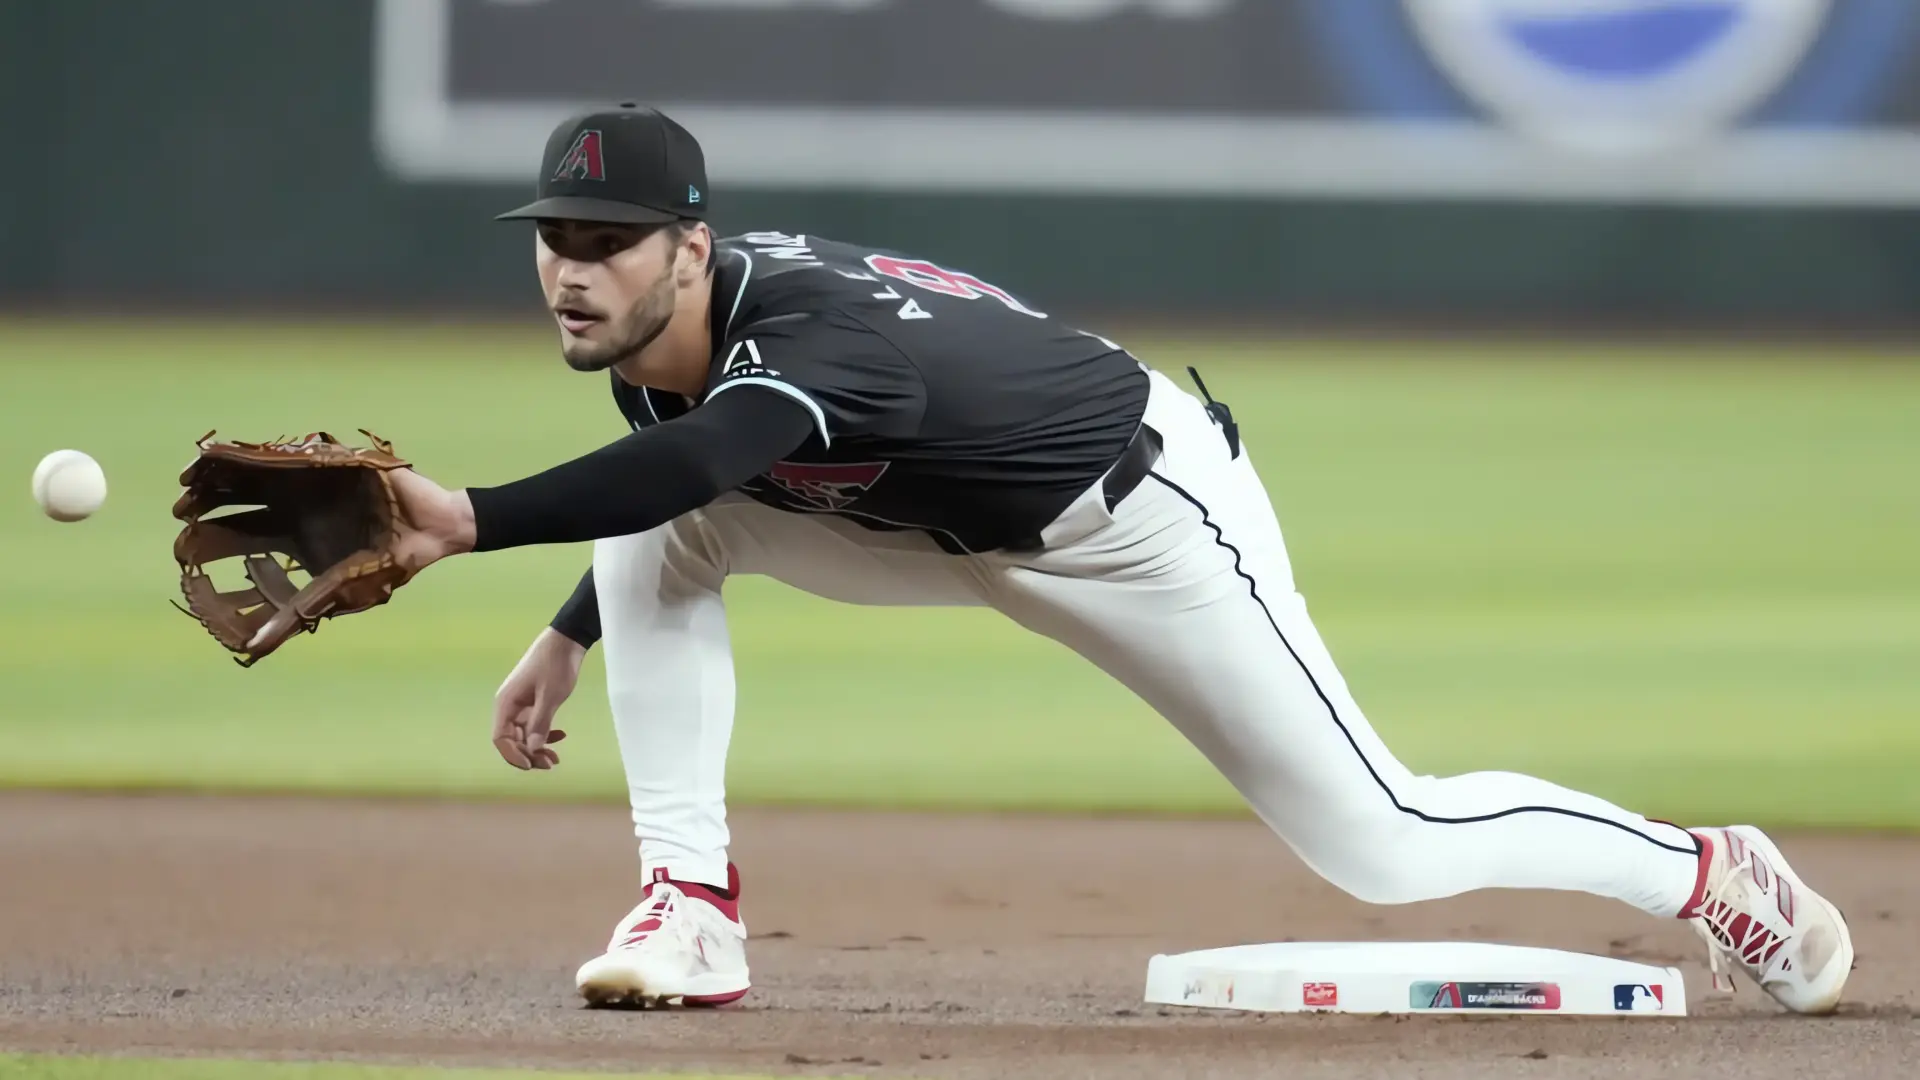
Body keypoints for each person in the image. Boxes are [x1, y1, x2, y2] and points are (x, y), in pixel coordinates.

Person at [382, 102, 1853, 1013]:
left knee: (1384, 842)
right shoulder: (655, 340)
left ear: (690, 250)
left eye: (613, 237)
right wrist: (574, 625)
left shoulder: (804, 334)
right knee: (656, 529)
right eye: (556, 233)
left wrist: (466, 519)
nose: (574, 265)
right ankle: (688, 912)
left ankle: (1714, 873)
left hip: (1141, 520)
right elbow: (686, 476)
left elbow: (711, 455)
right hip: (944, 514)